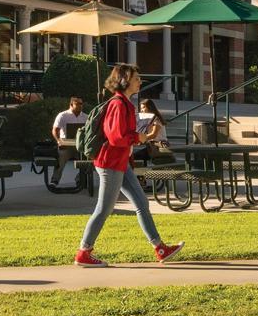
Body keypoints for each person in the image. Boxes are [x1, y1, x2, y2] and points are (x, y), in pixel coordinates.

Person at [75, 64, 183, 267]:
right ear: (124, 81)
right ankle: (84, 252)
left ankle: (160, 248)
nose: (139, 81)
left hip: (120, 162)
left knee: (142, 203)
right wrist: (138, 137)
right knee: (104, 209)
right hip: (111, 163)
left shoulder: (125, 103)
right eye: (136, 78)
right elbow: (116, 138)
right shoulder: (118, 104)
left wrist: (138, 136)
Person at [49, 96, 86, 186]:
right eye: (78, 104)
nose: (80, 106)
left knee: (87, 161)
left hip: (80, 146)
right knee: (61, 158)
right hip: (65, 145)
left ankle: (80, 179)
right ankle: (55, 180)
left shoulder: (85, 116)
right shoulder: (63, 115)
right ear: (71, 105)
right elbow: (55, 130)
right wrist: (58, 141)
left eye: (81, 104)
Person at [136, 99, 170, 165]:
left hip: (159, 146)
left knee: (135, 157)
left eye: (143, 108)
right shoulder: (147, 120)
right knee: (134, 157)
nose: (141, 110)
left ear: (150, 107)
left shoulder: (156, 119)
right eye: (141, 108)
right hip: (151, 146)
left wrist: (140, 139)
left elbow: (153, 134)